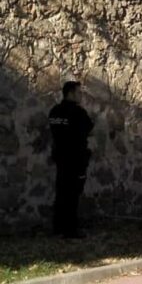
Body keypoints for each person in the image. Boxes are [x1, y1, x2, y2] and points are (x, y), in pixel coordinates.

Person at [48, 81, 94, 239]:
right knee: (73, 194)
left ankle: (58, 227)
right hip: (75, 158)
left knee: (61, 192)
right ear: (71, 93)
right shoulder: (78, 112)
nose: (81, 95)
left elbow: (56, 131)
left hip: (61, 157)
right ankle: (70, 230)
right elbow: (88, 128)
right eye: (78, 92)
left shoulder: (54, 111)